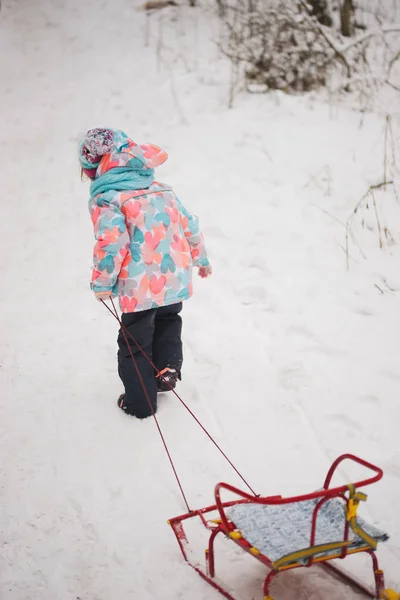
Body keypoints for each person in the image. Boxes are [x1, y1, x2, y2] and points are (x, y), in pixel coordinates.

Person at [79, 128, 211, 419]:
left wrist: (102, 283)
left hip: (139, 288)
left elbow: (112, 243)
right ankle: (167, 368)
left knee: (134, 344)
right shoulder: (162, 189)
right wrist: (201, 258)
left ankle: (140, 404)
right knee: (167, 319)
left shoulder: (108, 199)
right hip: (172, 277)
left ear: (98, 168)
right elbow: (189, 224)